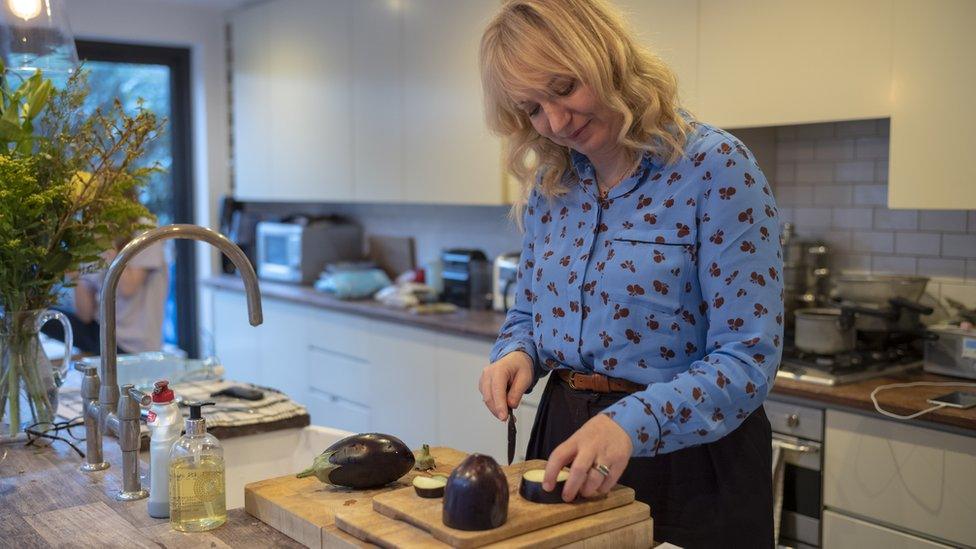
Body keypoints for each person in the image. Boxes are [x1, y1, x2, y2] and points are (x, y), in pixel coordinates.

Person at [478, 1, 784, 546]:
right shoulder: (554, 185)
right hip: (564, 435)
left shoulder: (714, 167)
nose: (557, 122)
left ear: (608, 59)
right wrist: (517, 351)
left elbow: (748, 359)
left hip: (690, 461)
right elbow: (529, 311)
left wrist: (630, 422)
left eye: (566, 87)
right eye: (532, 109)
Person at [43, 234, 169, 355]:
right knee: (40, 316)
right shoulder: (92, 243)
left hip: (136, 346)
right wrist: (76, 275)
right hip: (103, 334)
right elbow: (86, 314)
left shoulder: (144, 233)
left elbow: (128, 288)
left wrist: (106, 243)